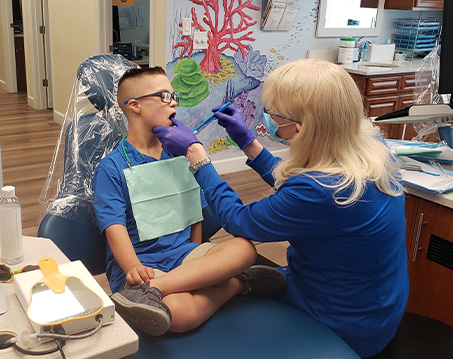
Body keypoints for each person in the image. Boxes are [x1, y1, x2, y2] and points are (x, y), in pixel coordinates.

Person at [152, 59, 409, 358]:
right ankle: (249, 282)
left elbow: (239, 220)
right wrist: (248, 143)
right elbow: (299, 184)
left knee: (228, 276)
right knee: (236, 276)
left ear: (300, 129)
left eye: (274, 115)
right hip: (374, 302)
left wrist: (196, 155)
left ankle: (236, 284)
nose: (268, 119)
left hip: (343, 321)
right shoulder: (370, 149)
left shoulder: (321, 190)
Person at [92, 67, 286, 337]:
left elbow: (194, 210)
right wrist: (134, 268)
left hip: (184, 257)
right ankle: (237, 284)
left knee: (244, 249)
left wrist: (195, 256)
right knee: (178, 313)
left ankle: (163, 289)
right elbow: (114, 228)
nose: (173, 101)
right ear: (134, 106)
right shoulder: (111, 168)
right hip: (142, 267)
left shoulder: (181, 154)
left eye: (174, 96)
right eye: (163, 96)